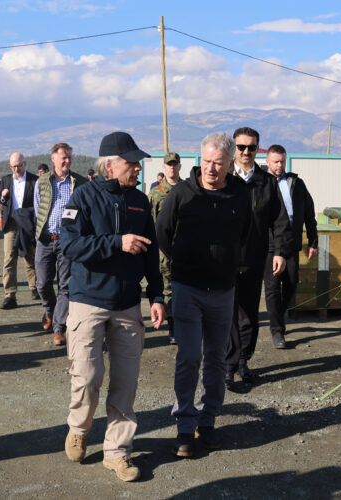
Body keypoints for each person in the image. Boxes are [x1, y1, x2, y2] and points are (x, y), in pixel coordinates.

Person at [60, 131, 164, 482]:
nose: (137, 168)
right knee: (88, 377)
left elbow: (151, 252)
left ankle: (117, 452)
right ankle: (79, 427)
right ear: (110, 165)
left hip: (127, 306)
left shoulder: (139, 201)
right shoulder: (82, 197)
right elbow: (71, 247)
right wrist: (116, 243)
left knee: (125, 383)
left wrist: (158, 296)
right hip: (88, 302)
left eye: (138, 162)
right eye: (131, 162)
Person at [156, 132, 251, 458]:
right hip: (187, 289)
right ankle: (184, 427)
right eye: (208, 162)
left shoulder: (240, 194)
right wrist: (186, 263)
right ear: (201, 159)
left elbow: (246, 234)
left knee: (216, 359)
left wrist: (229, 263)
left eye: (219, 164)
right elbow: (163, 234)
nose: (212, 169)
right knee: (188, 358)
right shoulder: (182, 194)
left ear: (229, 164)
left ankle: (207, 422)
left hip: (223, 291)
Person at [225, 127, 291, 387]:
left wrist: (280, 252)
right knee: (228, 313)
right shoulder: (225, 178)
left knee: (249, 312)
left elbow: (279, 220)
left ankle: (243, 360)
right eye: (241, 147)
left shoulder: (266, 182)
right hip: (227, 259)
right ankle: (228, 365)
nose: (245, 152)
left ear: (257, 149)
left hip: (255, 257)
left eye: (251, 147)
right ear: (234, 148)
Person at [263, 145, 318, 349]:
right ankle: (277, 331)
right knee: (272, 289)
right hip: (268, 246)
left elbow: (309, 213)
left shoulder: (296, 183)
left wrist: (313, 240)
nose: (279, 165)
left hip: (291, 244)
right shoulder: (261, 184)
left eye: (282, 161)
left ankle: (279, 314)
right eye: (275, 161)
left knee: (292, 283)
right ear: (268, 162)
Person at [34, 143, 87, 346]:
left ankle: (59, 328)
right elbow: (38, 209)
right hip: (45, 240)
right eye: (64, 157)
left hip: (67, 242)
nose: (67, 161)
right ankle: (49, 311)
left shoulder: (79, 183)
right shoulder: (42, 182)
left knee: (65, 286)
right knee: (42, 283)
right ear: (53, 158)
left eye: (70, 158)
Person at [148, 152, 182, 344]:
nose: (172, 167)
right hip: (164, 250)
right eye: (168, 165)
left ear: (179, 167)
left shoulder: (188, 189)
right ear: (164, 167)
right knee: (168, 289)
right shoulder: (156, 193)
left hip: (186, 248)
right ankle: (173, 328)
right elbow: (150, 224)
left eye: (174, 164)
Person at [0, 153, 38, 309]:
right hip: (11, 223)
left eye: (19, 165)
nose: (16, 169)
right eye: (13, 166)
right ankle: (10, 295)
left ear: (25, 164)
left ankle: (35, 288)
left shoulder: (35, 180)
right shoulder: (6, 180)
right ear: (10, 166)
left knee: (30, 256)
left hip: (28, 223)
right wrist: (2, 197)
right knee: (9, 258)